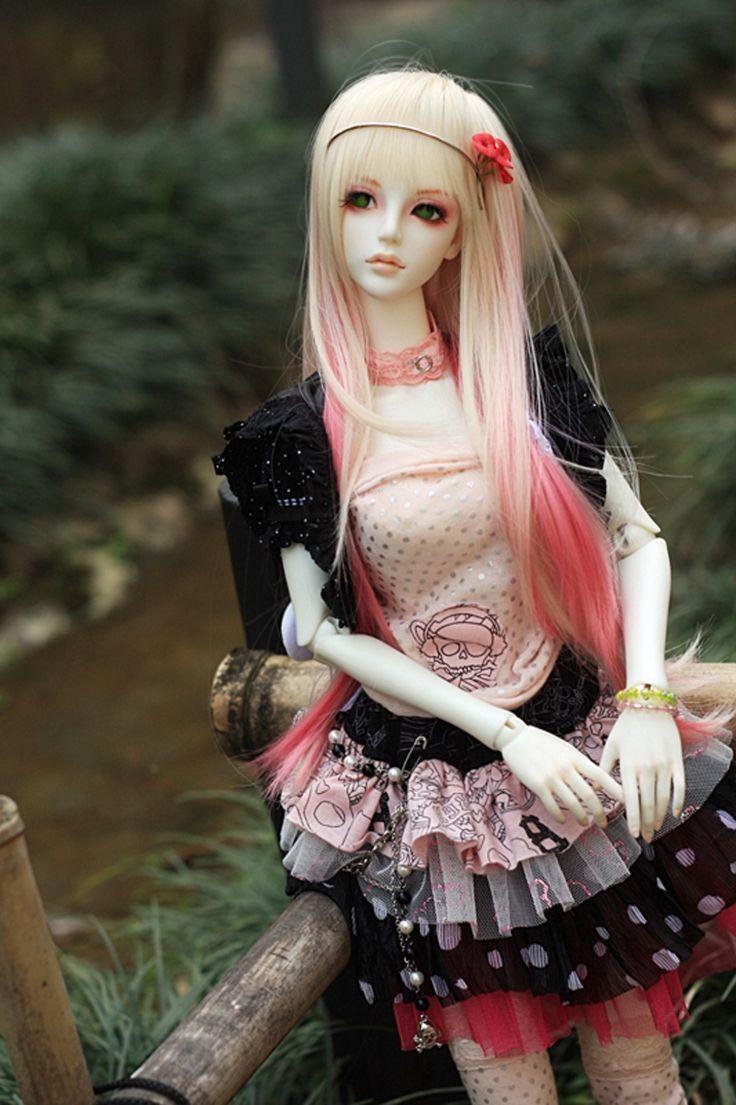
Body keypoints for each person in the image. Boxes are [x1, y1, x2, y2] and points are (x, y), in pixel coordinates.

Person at [212, 65, 736, 1105]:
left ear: (461, 232)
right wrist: (501, 734)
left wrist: (642, 698)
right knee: (506, 1086)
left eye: (426, 210)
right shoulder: (297, 436)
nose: (386, 235)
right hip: (438, 788)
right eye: (359, 200)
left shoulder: (525, 386)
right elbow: (322, 630)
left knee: (641, 1071)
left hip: (584, 740)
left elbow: (636, 538)